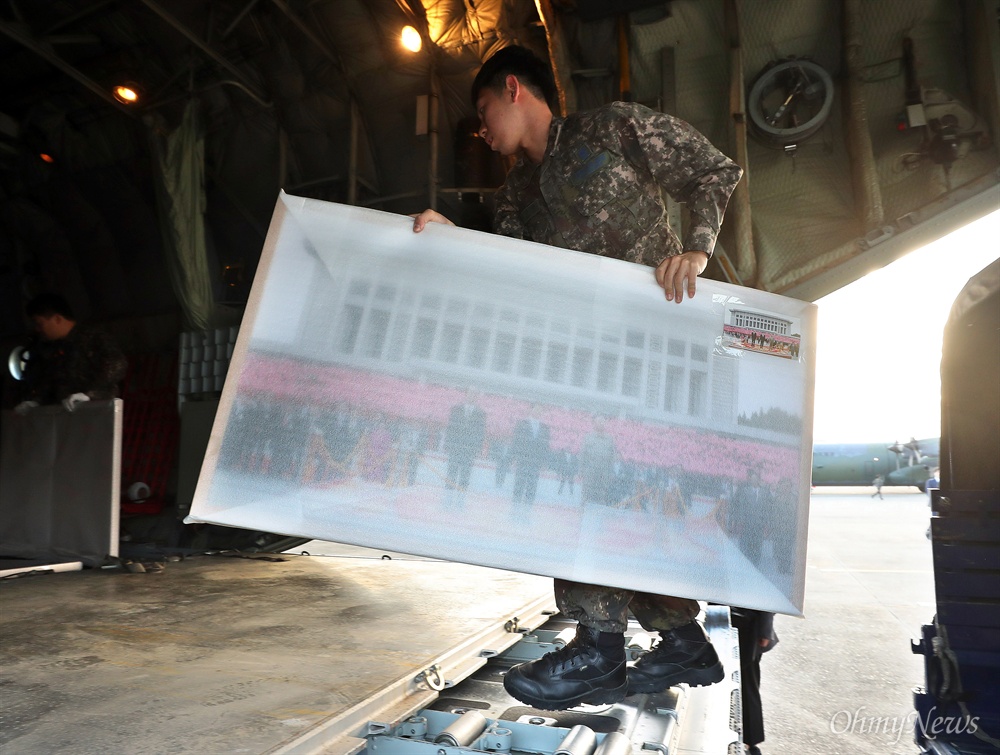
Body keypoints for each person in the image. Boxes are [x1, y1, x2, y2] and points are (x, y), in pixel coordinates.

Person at [413, 45, 742, 710]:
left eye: (483, 114)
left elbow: (712, 170)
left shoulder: (612, 129)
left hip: (655, 346)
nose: (484, 132)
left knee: (597, 489)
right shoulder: (515, 200)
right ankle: (680, 637)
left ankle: (598, 645)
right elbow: (508, 272)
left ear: (514, 90)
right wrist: (451, 237)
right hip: (585, 365)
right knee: (612, 490)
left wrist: (698, 248)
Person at [14, 293, 127, 414]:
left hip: (95, 412)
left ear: (57, 319)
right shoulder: (50, 347)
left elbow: (117, 365)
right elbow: (49, 380)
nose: (38, 329)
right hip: (63, 415)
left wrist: (89, 394)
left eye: (40, 324)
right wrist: (37, 401)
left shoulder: (92, 338)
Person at [729, 607, 778, 755]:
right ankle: (747, 741)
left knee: (747, 684)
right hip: (724, 615)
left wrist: (765, 629)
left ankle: (750, 743)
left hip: (747, 625)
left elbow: (767, 592)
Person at [443, 388, 486, 491]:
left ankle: (461, 496)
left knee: (465, 475)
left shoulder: (481, 413)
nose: (471, 396)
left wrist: (478, 449)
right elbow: (451, 428)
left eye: (474, 394)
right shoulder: (456, 409)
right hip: (455, 448)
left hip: (469, 450)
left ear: (476, 397)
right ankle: (448, 494)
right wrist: (447, 444)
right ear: (465, 395)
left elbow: (480, 433)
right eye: (469, 394)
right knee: (451, 473)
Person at [509, 403, 550, 506]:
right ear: (531, 410)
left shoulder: (545, 428)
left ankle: (528, 508)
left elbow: (545, 447)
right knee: (519, 483)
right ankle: (515, 506)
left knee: (532, 486)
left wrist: (544, 462)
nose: (538, 412)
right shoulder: (521, 424)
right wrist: (514, 458)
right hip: (522, 459)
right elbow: (516, 442)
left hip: (536, 462)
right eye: (536, 409)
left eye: (540, 410)